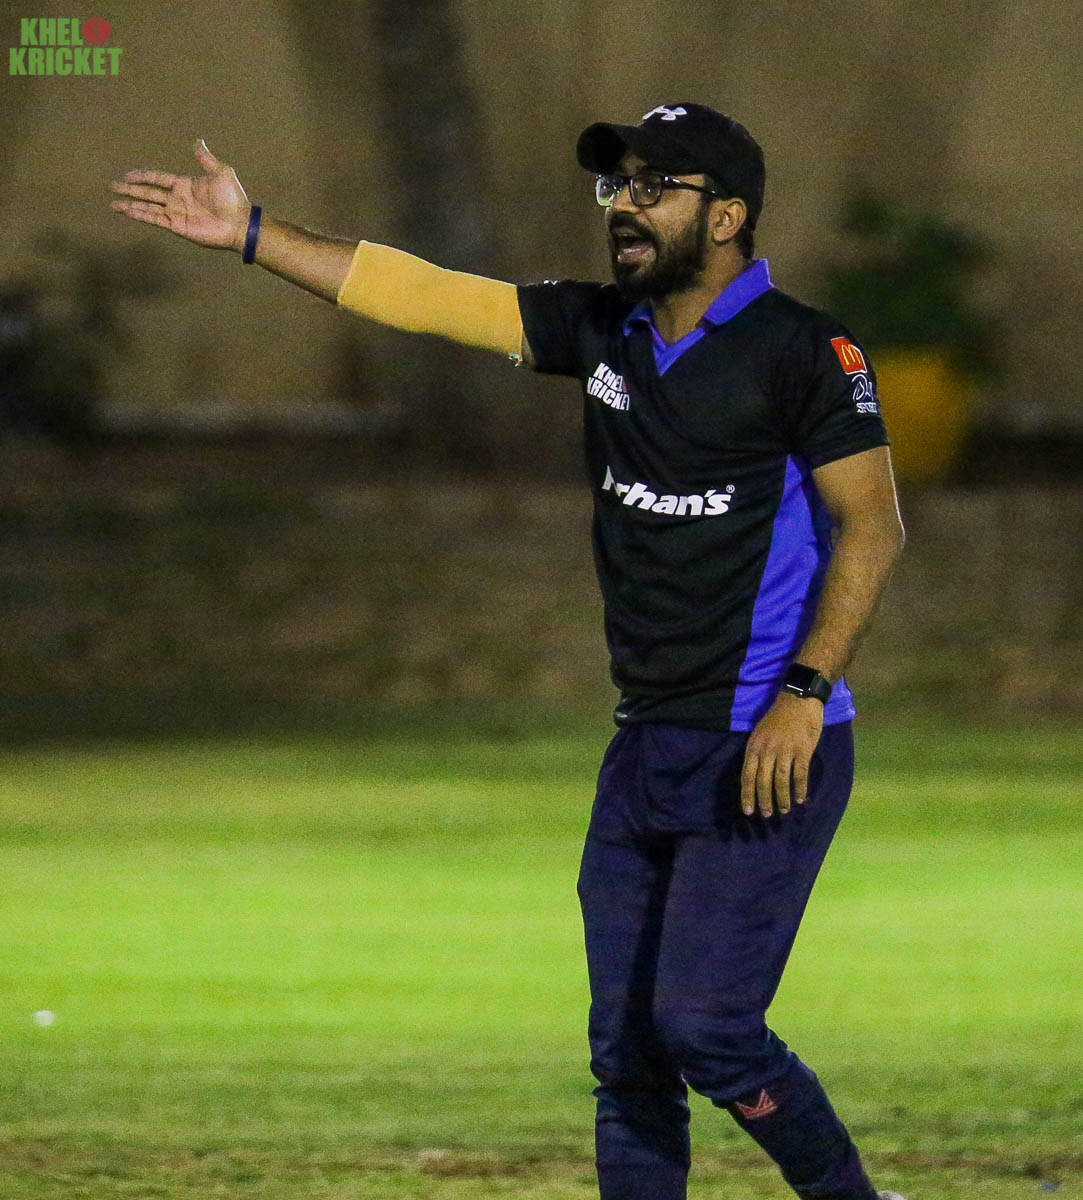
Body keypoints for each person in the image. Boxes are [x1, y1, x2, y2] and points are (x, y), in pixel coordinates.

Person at [110, 101, 907, 1200]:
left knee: (706, 1028)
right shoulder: (604, 329)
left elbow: (873, 526)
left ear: (726, 216)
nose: (623, 206)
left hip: (765, 747)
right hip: (647, 746)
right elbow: (427, 294)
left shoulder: (804, 350)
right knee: (626, 1057)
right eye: (616, 185)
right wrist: (253, 233)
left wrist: (805, 694)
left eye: (654, 187)